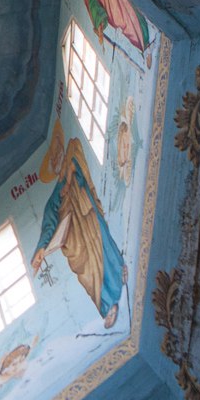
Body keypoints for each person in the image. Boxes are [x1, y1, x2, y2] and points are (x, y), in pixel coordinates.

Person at [30, 121, 126, 328]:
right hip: (74, 236)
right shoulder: (55, 194)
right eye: (53, 159)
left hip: (87, 215)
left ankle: (119, 273)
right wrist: (41, 247)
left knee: (102, 244)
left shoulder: (72, 154)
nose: (56, 159)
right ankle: (106, 306)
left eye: (57, 154)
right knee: (86, 271)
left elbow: (79, 162)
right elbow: (49, 219)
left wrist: (71, 176)